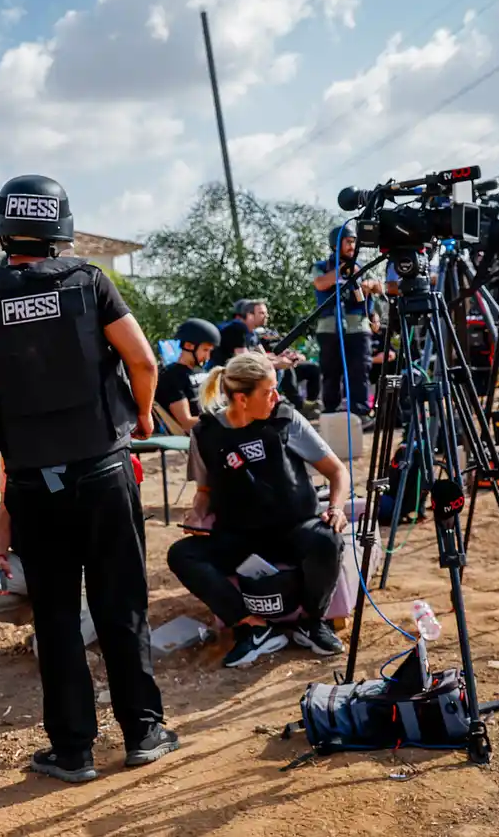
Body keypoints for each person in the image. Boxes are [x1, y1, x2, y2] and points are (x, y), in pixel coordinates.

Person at [0, 174, 177, 785]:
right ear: (61, 229)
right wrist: (142, 414)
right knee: (121, 605)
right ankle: (144, 732)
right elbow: (143, 360)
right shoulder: (89, 282)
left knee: (57, 615)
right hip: (104, 469)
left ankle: (72, 750)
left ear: (2, 228)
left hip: (33, 481)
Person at [166, 354, 352, 670]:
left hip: (293, 529)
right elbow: (205, 492)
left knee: (327, 541)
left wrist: (336, 508)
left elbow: (337, 472)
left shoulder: (285, 420)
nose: (276, 397)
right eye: (268, 391)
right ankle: (252, 626)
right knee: (181, 555)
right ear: (241, 398)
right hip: (239, 536)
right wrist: (197, 515)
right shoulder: (206, 434)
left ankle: (311, 622)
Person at [310, 223, 378, 428]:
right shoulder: (322, 266)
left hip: (358, 327)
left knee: (360, 370)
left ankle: (361, 414)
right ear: (336, 244)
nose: (352, 246)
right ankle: (330, 413)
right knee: (331, 371)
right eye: (348, 242)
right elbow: (320, 283)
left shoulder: (361, 266)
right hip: (330, 327)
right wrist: (342, 270)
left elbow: (378, 286)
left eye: (353, 242)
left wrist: (371, 284)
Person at [155, 318, 219, 432]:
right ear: (189, 346)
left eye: (210, 351)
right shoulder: (171, 376)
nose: (208, 357)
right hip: (199, 434)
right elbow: (186, 423)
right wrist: (225, 418)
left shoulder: (200, 371)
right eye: (205, 350)